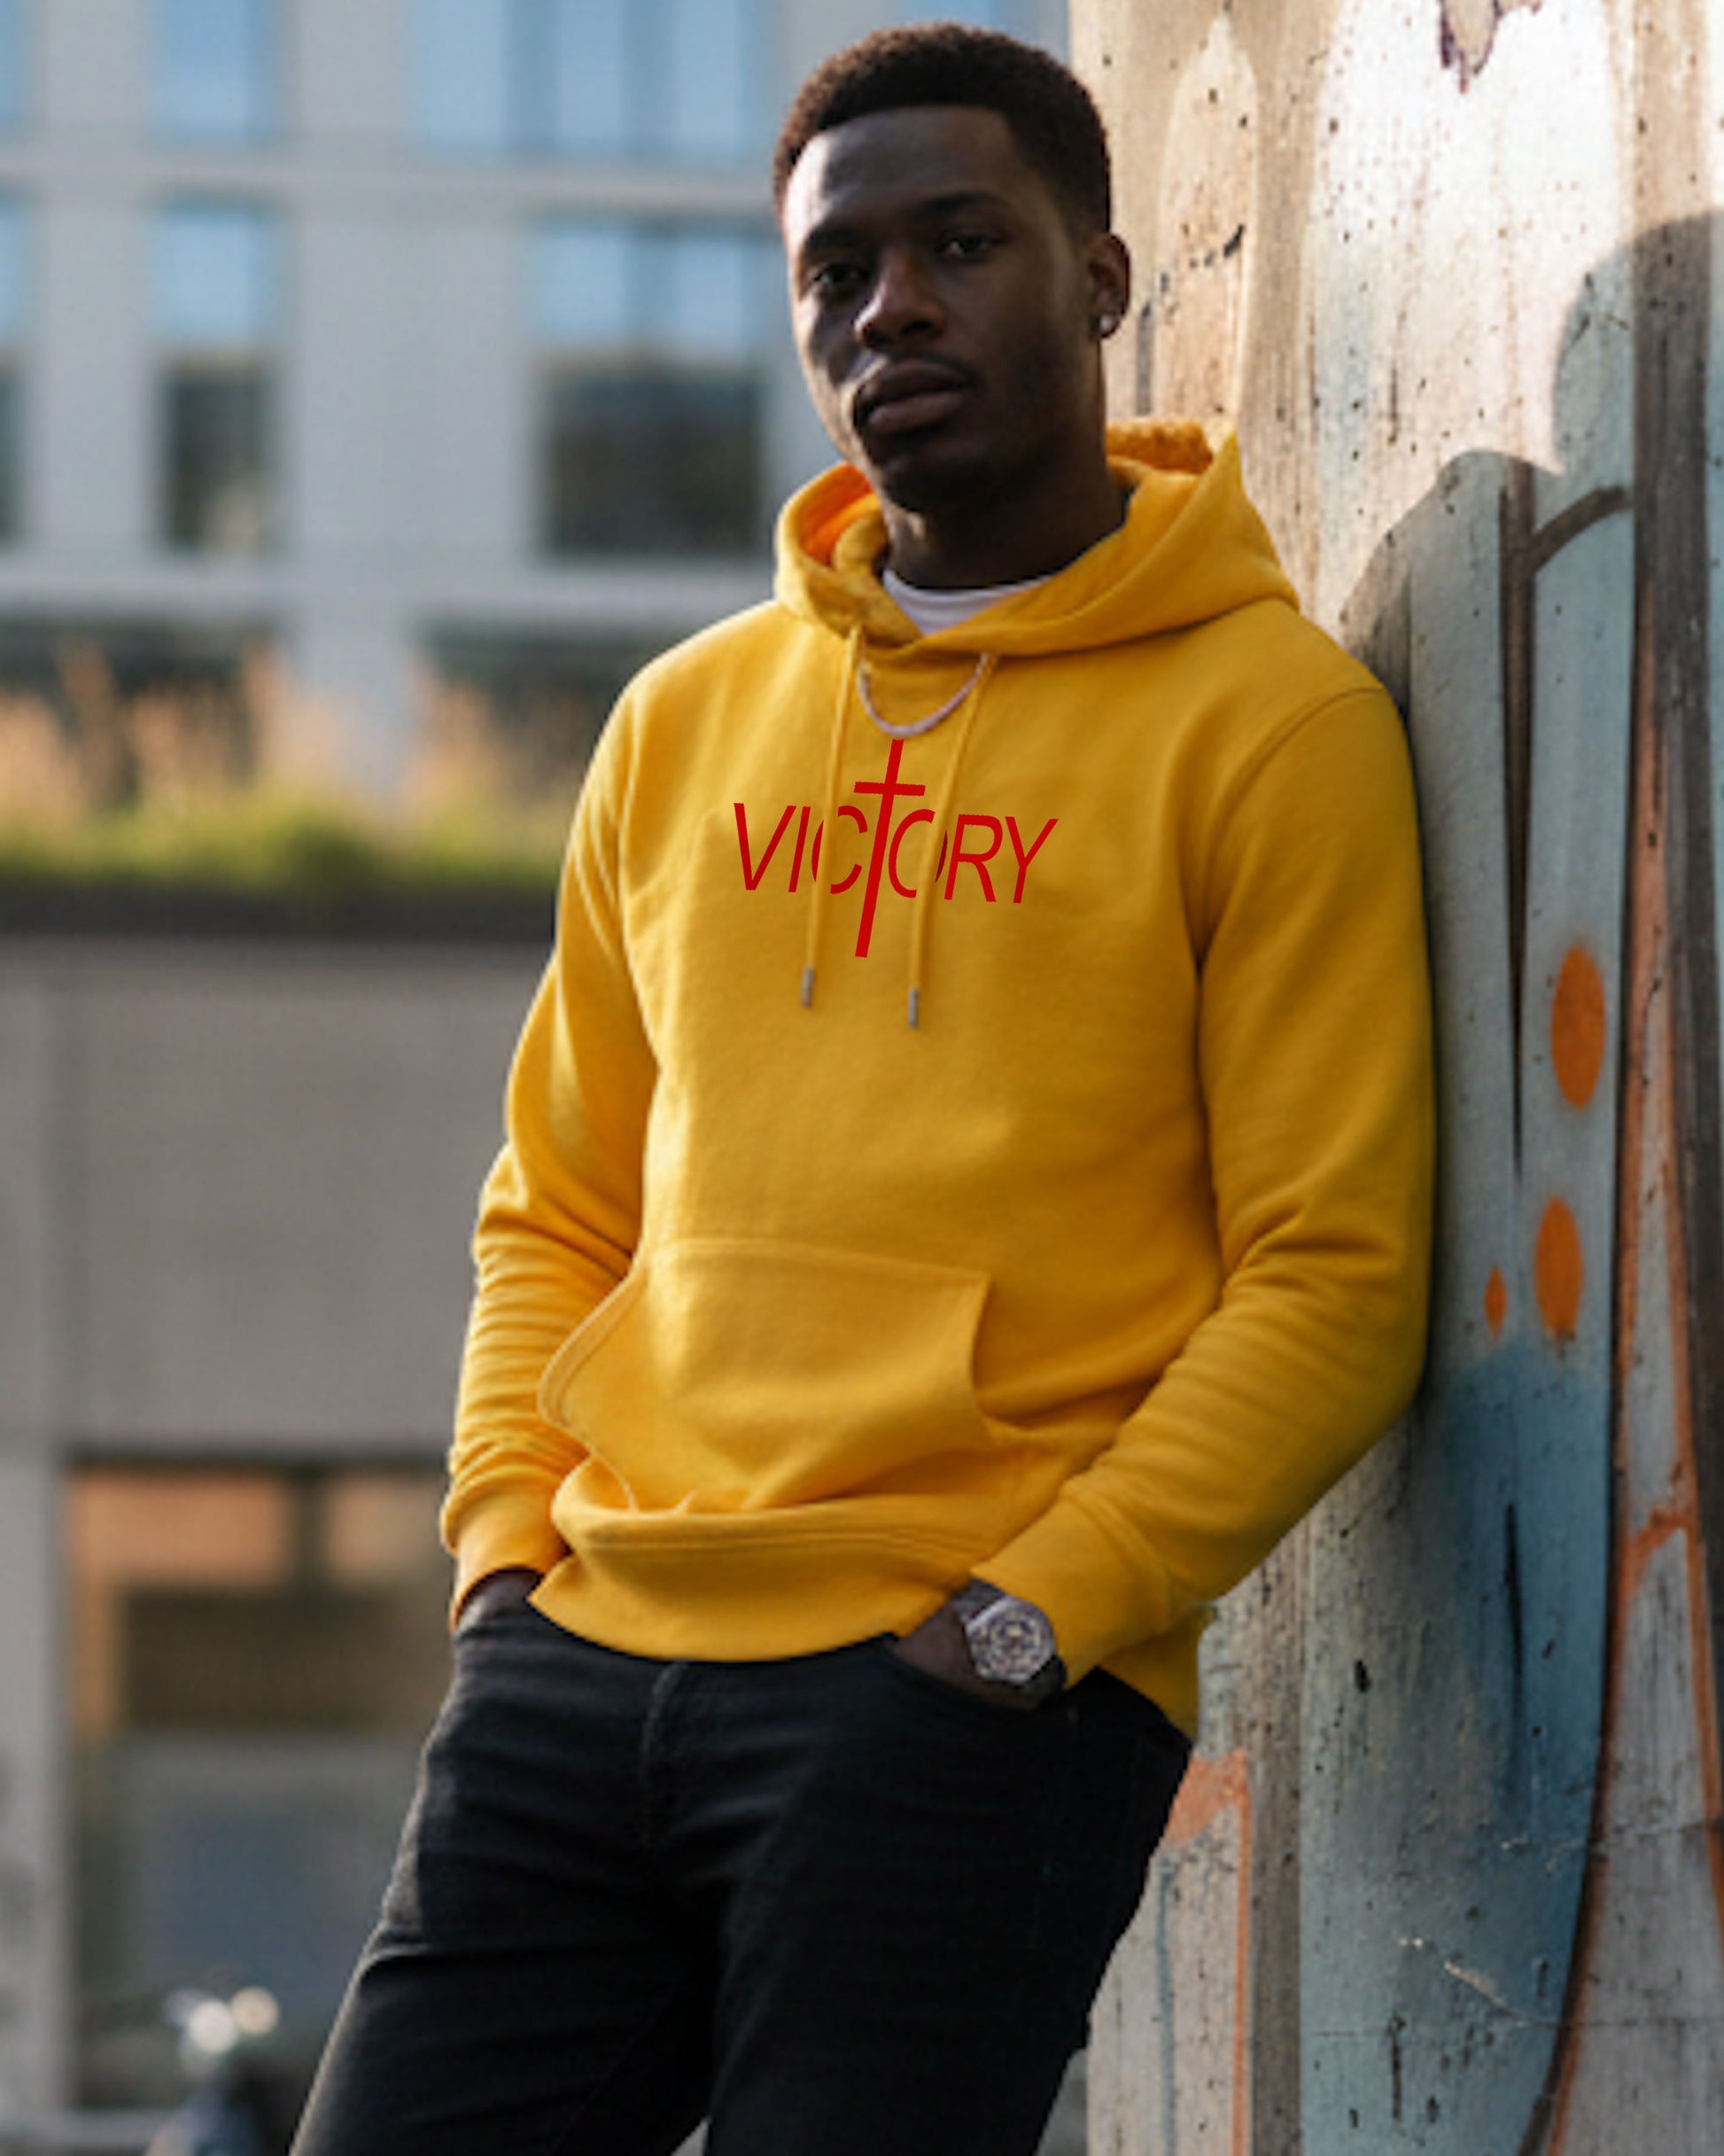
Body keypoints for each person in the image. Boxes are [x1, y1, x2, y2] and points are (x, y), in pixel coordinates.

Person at [291, 24, 1433, 2156]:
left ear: (1101, 277)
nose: (886, 307)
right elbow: (555, 1207)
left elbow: (1334, 1272)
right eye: (835, 270)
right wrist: (501, 1567)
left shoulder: (1266, 729)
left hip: (950, 1691)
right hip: (581, 1661)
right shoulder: (682, 718)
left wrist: (1032, 1621)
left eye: (958, 243)